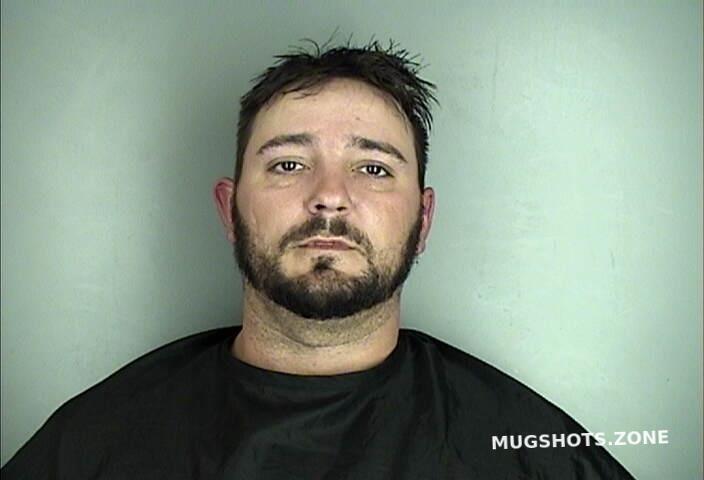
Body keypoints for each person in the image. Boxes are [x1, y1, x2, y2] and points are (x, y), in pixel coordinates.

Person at [2, 39, 635, 479]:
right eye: (288, 163)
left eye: (372, 168)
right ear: (229, 210)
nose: (330, 195)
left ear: (423, 222)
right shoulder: (92, 443)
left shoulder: (535, 453)